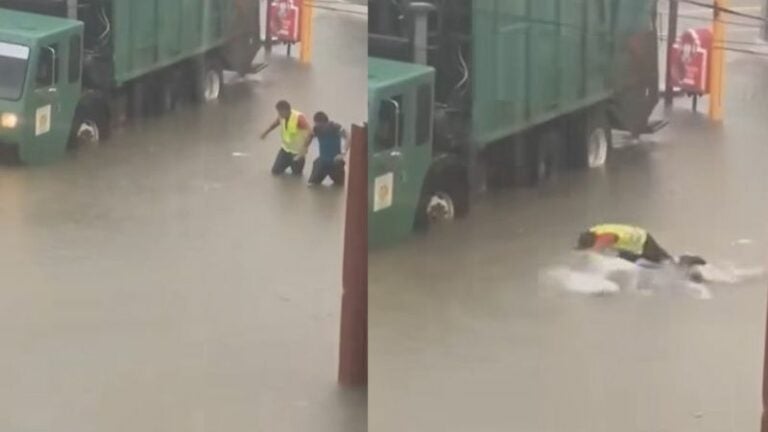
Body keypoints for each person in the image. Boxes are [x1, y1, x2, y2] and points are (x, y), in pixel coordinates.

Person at [575, 223, 706, 282]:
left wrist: (594, 251)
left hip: (642, 241)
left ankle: (686, 261)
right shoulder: (592, 232)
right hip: (627, 247)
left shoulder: (605, 237)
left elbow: (608, 239)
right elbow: (591, 245)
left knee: (663, 262)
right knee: (641, 263)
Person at [260, 100, 311, 176]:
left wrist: (303, 149)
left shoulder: (299, 118)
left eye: (280, 112)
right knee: (275, 171)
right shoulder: (282, 116)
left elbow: (311, 133)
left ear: (287, 110)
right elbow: (276, 123)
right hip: (285, 150)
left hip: (297, 153)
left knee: (296, 176)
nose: (279, 114)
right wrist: (265, 132)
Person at [302, 111, 348, 186]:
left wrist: (343, 153)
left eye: (316, 124)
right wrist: (304, 149)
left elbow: (348, 137)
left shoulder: (336, 127)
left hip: (335, 163)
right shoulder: (316, 129)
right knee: (312, 185)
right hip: (322, 163)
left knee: (340, 185)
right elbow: (309, 137)